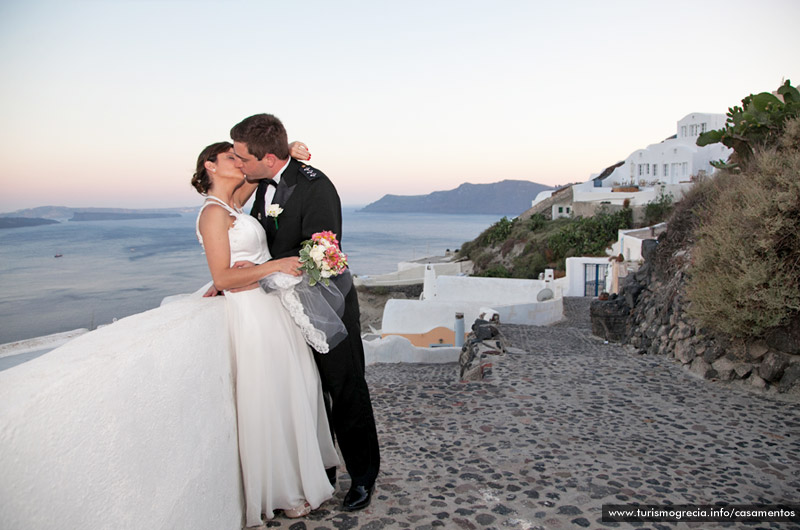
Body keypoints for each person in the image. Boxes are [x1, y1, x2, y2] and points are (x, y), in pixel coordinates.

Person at [230, 113, 380, 512]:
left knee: (344, 388)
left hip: (325, 302)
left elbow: (322, 251)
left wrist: (266, 270)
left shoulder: (316, 186)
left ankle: (363, 475)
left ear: (266, 158)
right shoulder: (262, 182)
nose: (239, 165)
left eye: (244, 158)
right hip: (282, 307)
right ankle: (322, 467)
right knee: (308, 391)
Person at [192, 141, 339, 526]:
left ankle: (298, 478)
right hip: (251, 314)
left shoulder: (234, 202)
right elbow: (222, 277)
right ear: (210, 165)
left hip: (272, 307)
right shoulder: (211, 213)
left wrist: (283, 149)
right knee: (268, 398)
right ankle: (281, 491)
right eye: (231, 158)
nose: (240, 163)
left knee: (293, 388)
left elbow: (261, 172)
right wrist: (271, 265)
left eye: (241, 157)